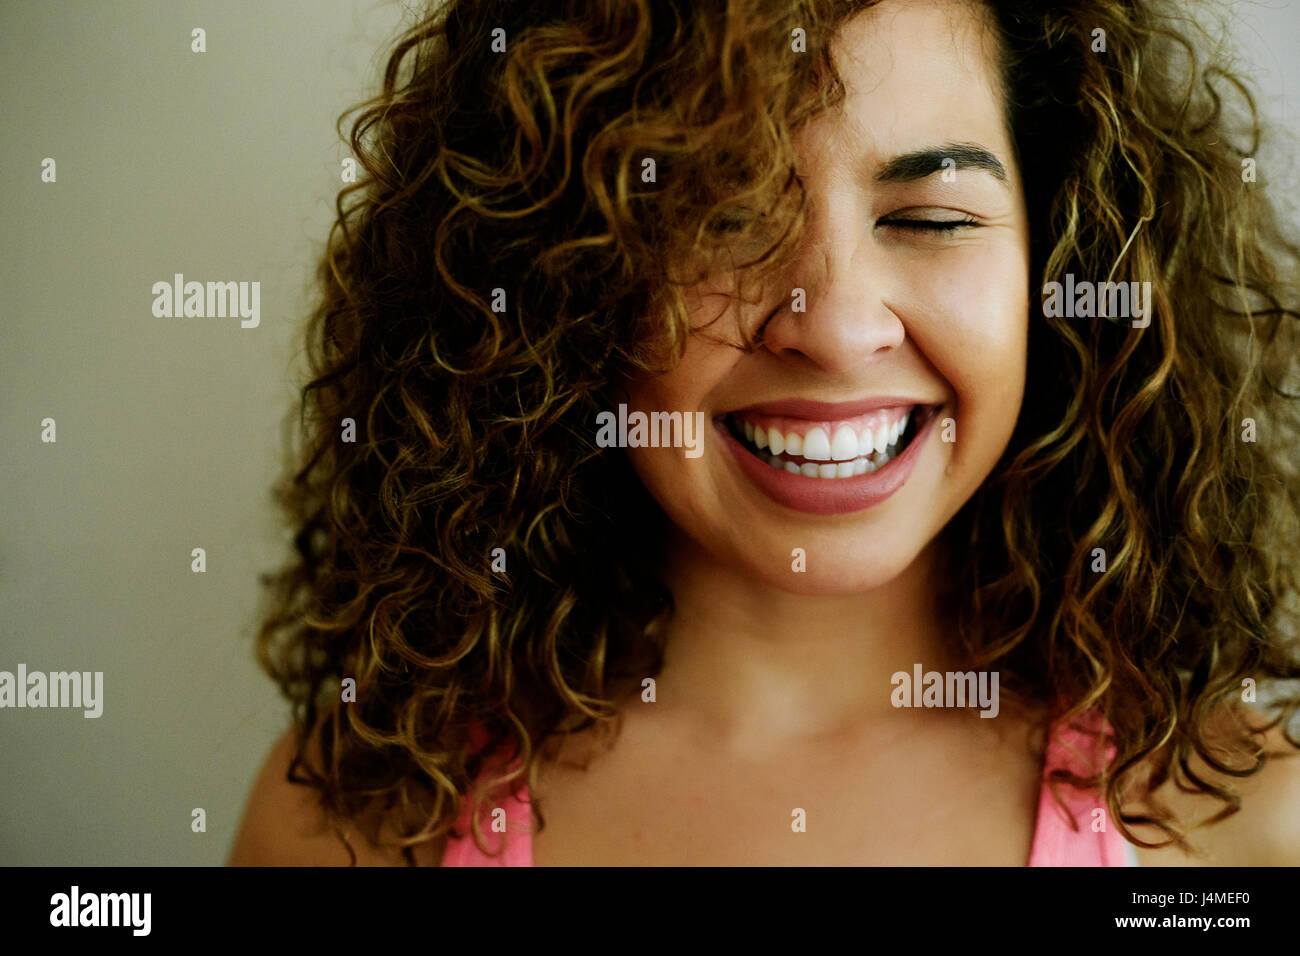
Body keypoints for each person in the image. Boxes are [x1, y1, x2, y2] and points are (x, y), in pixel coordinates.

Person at [229, 0, 1300, 866]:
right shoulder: (350, 825)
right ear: (561, 283)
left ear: (1062, 269)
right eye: (723, 215)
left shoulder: (1239, 821)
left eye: (928, 219)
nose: (835, 326)